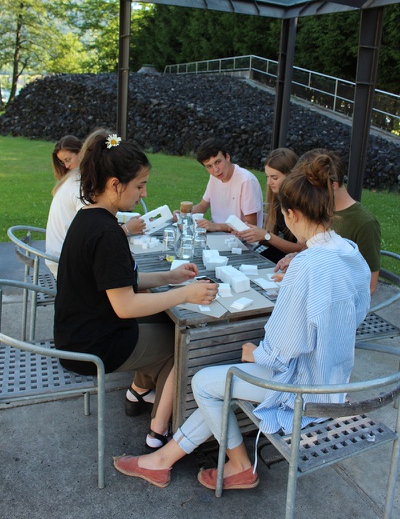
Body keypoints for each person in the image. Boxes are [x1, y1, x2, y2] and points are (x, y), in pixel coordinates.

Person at [113, 152, 371, 489]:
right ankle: (162, 460)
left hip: (305, 386)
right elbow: (355, 312)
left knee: (205, 382)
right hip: (336, 376)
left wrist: (255, 353)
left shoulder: (307, 266)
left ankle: (239, 466)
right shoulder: (348, 250)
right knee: (222, 380)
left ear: (292, 214)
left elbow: (282, 351)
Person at [54, 128, 219, 449]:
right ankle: (158, 433)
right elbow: (125, 305)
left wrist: (169, 279)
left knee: (163, 321)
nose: (143, 194)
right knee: (183, 342)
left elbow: (119, 282)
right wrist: (186, 293)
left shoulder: (91, 218)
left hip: (77, 331)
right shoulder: (107, 234)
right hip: (90, 346)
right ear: (115, 184)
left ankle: (140, 391)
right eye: (140, 185)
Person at [274, 149, 381, 294]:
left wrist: (304, 282)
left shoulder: (365, 223)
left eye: (309, 186)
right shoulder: (316, 212)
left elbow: (369, 287)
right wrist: (297, 259)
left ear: (333, 185)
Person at [46, 135, 145, 278]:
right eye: (139, 186)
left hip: (64, 259)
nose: (66, 166)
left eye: (68, 160)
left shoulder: (76, 181)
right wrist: (126, 229)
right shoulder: (80, 189)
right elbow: (96, 233)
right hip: (64, 264)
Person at [234, 148, 305, 264]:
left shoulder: (302, 203)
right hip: (280, 254)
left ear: (291, 176)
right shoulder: (277, 199)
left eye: (274, 178)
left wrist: (266, 236)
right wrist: (252, 234)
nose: (269, 182)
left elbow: (301, 249)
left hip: (294, 259)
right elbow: (272, 240)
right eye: (267, 177)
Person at [178, 138, 263, 232]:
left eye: (218, 162)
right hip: (218, 234)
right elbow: (203, 206)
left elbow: (250, 225)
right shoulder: (215, 177)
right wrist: (183, 215)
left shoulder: (246, 180)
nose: (215, 170)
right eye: (209, 166)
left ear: (227, 157)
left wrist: (216, 226)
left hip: (241, 238)